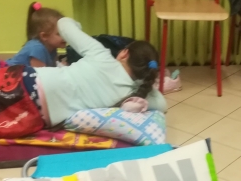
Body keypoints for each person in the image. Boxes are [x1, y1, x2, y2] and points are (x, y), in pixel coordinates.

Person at [27, 18, 167, 127]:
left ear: (124, 53)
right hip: (41, 117)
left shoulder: (100, 54)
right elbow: (162, 104)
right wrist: (146, 82)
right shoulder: (129, 94)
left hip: (30, 81)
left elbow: (63, 24)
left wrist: (78, 26)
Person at [7, 3, 67, 68]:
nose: (65, 36)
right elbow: (41, 73)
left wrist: (60, 66)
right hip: (6, 72)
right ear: (44, 36)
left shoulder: (52, 47)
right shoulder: (37, 48)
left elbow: (53, 67)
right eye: (59, 34)